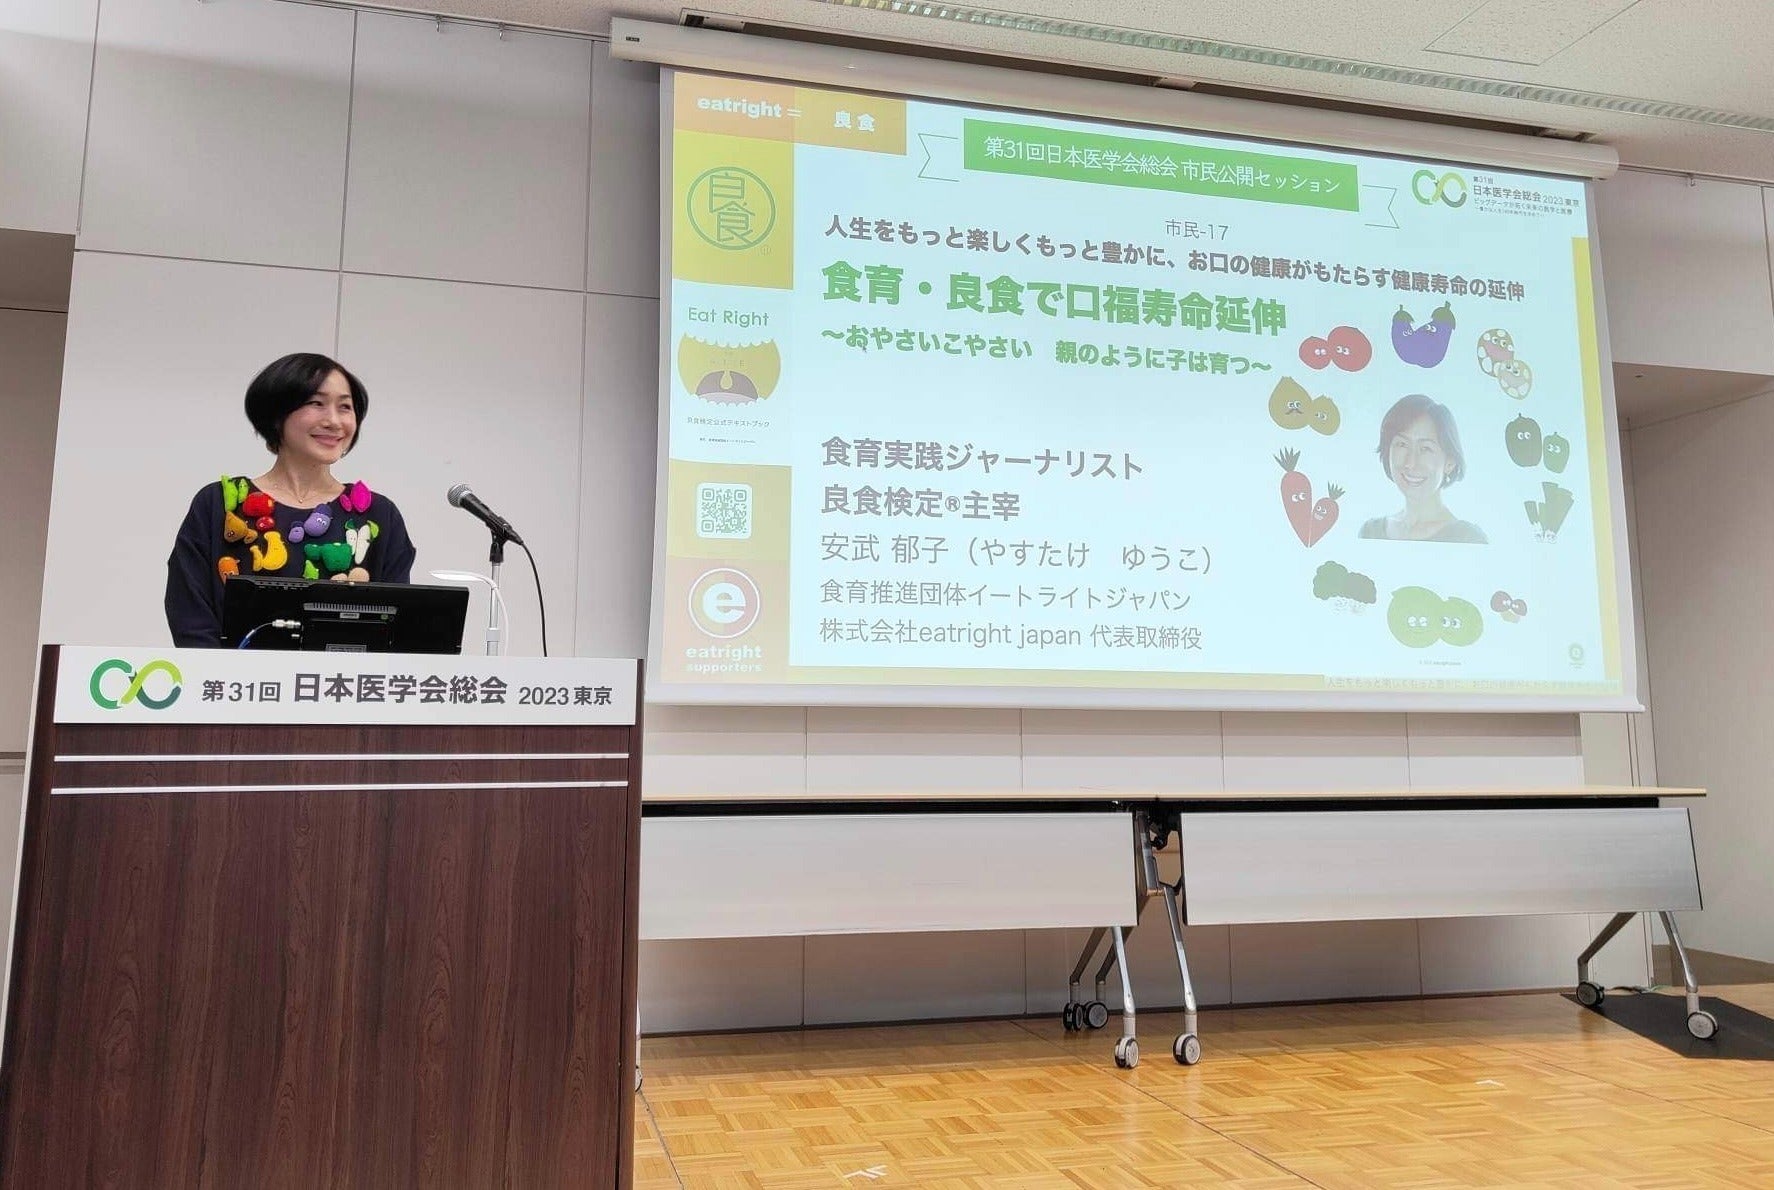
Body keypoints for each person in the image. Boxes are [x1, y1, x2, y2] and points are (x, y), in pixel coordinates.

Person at [165, 353, 415, 647]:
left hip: (343, 676)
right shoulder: (216, 504)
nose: (334, 421)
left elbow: (397, 629)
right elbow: (190, 615)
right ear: (276, 413)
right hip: (231, 676)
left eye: (345, 407)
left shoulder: (379, 514)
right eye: (316, 403)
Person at [1358, 394, 1488, 544]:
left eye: (1425, 448)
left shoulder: (1469, 538)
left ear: (1450, 462)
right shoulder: (1371, 532)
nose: (1411, 463)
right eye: (1402, 444)